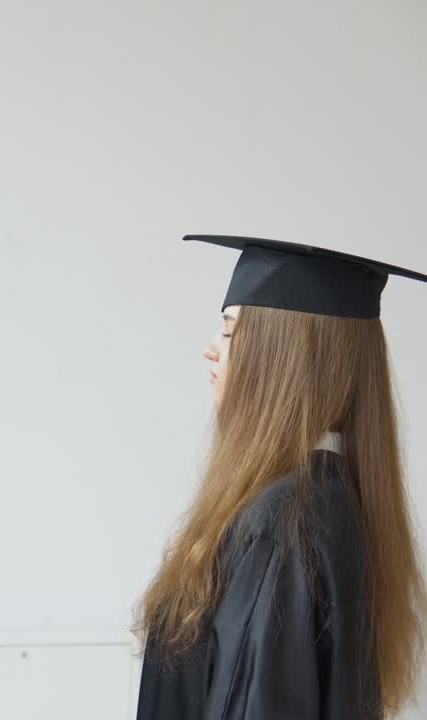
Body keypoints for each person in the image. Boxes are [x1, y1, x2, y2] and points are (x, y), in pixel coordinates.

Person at [136, 235, 427, 719]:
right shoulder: (329, 500)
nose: (211, 349)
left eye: (229, 332)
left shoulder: (281, 525)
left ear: (281, 353)